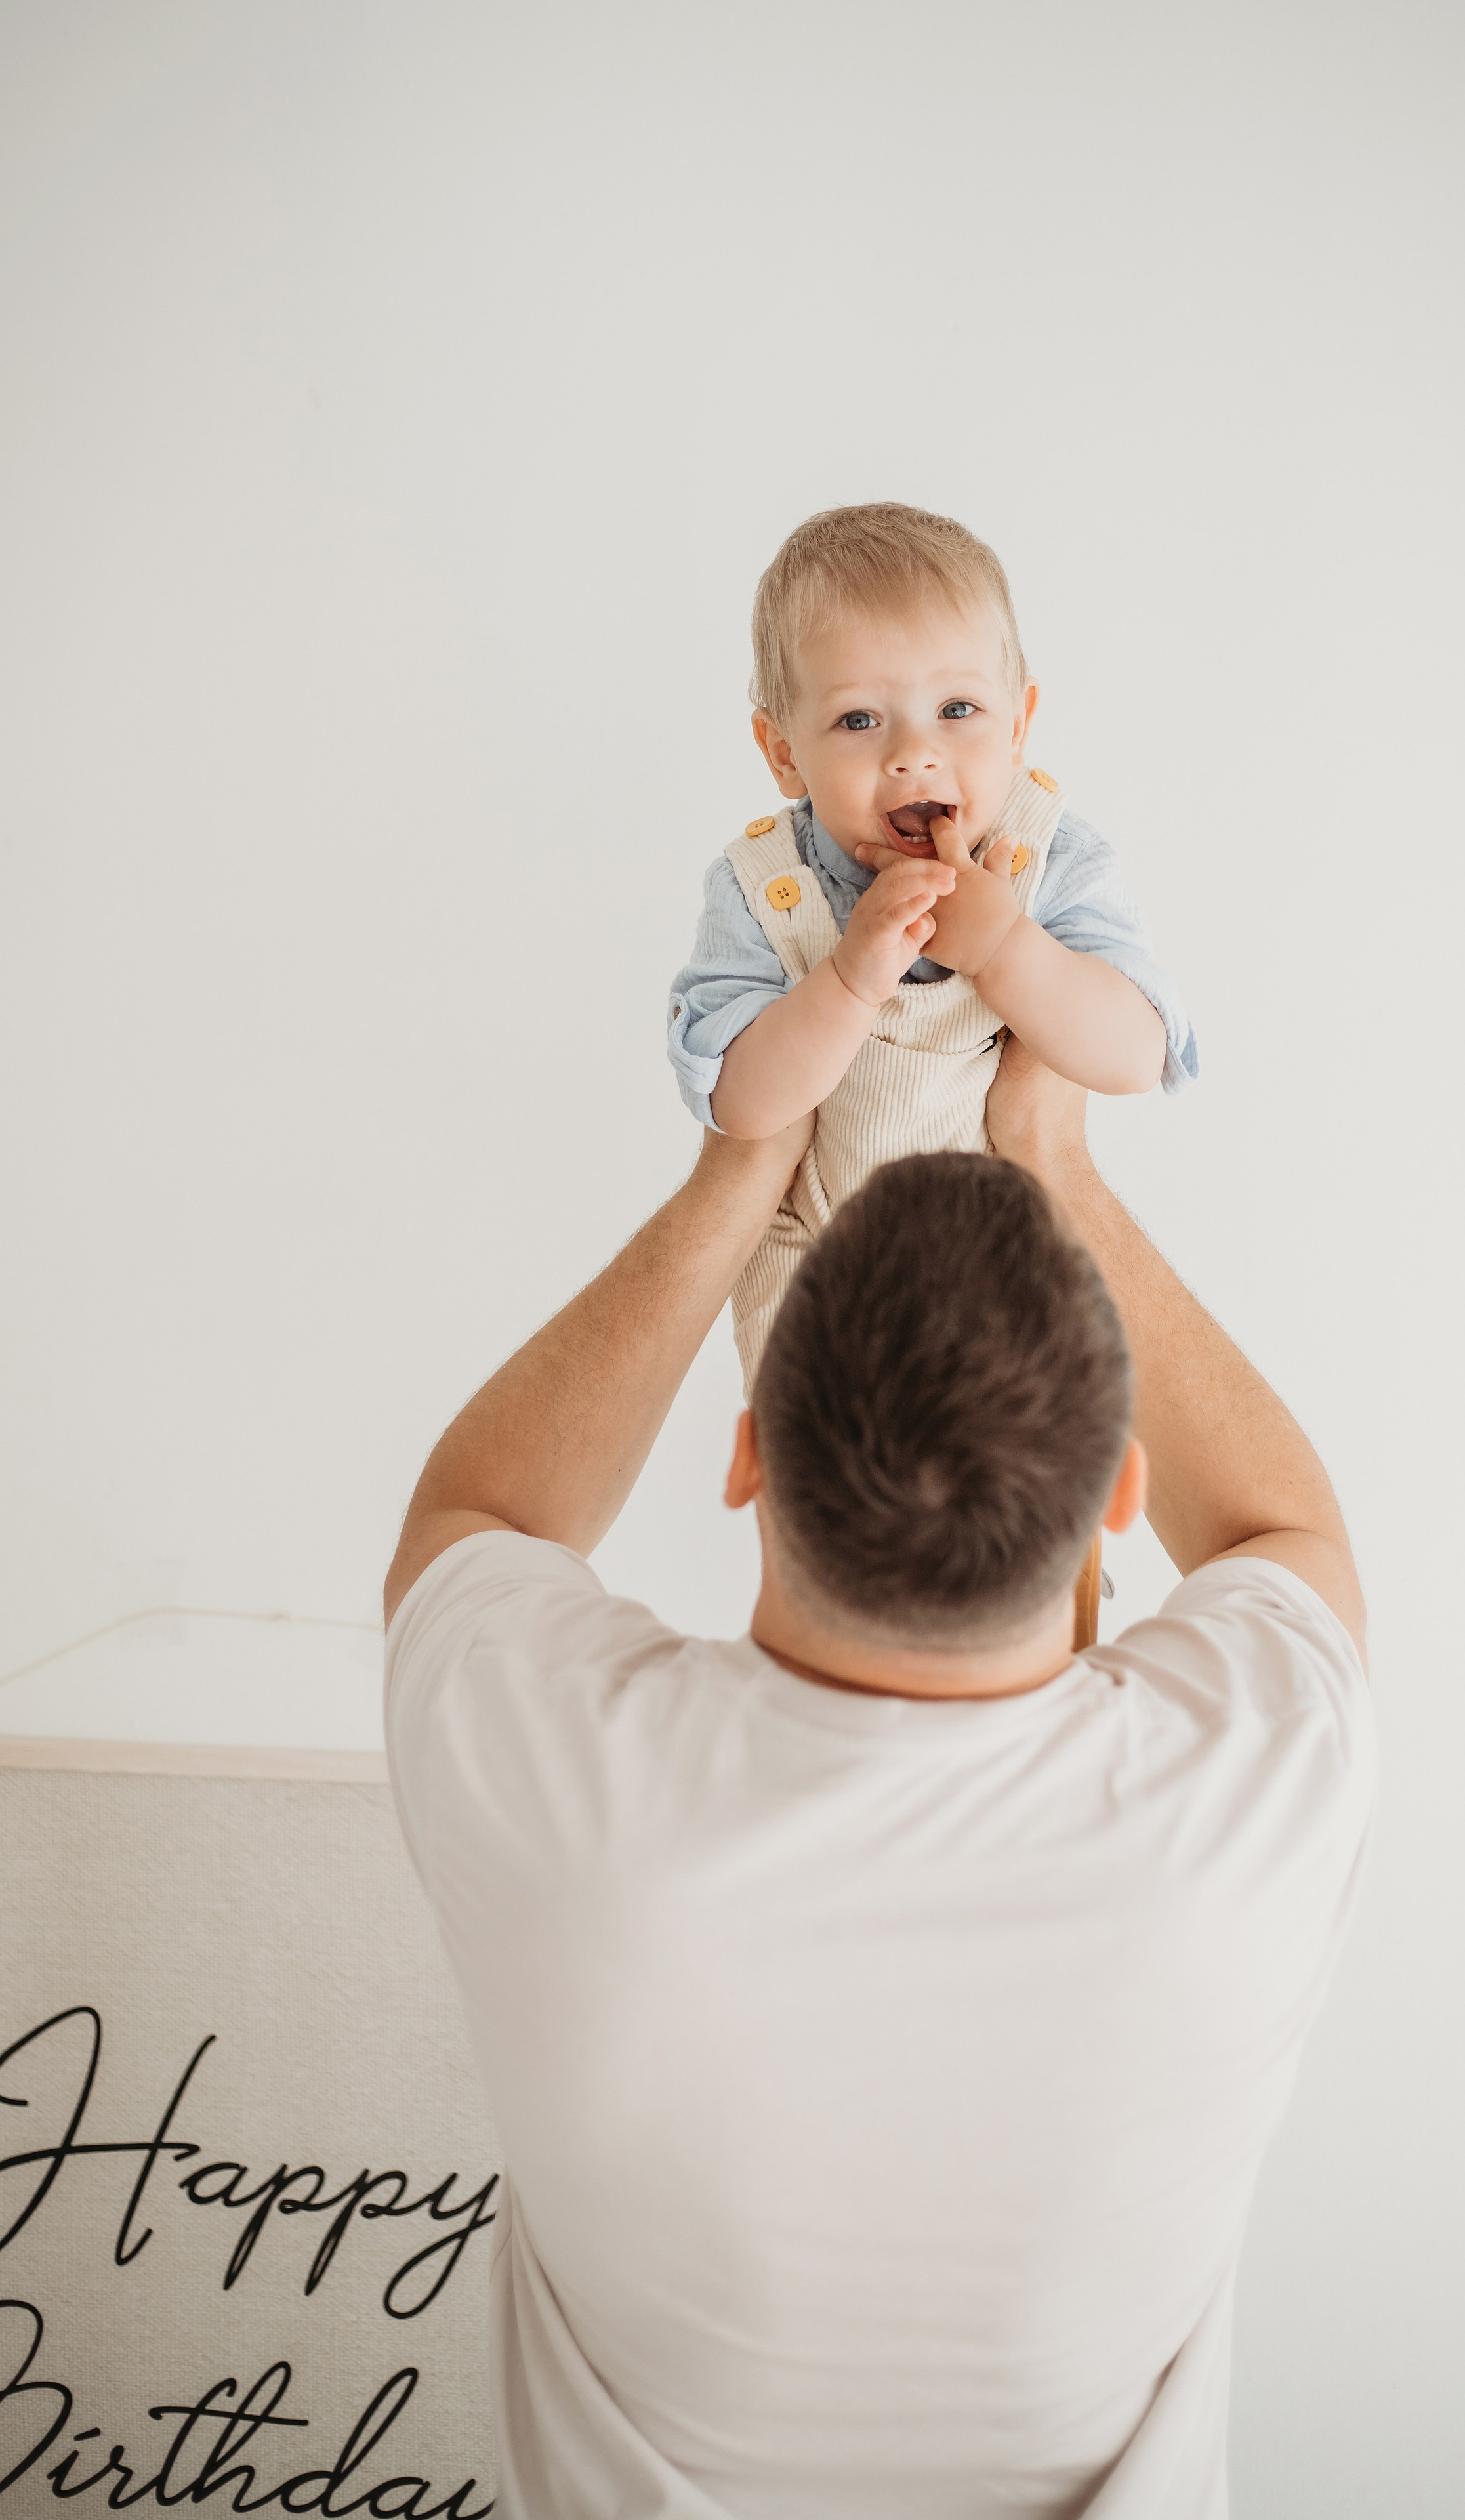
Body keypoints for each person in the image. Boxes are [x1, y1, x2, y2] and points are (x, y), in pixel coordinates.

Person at [382, 1045, 1376, 2520]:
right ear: (1119, 1489)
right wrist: (1058, 1154)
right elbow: (1277, 1532)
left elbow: (482, 1512)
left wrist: (740, 1171)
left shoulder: (573, 1809)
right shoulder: (1242, 1812)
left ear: (743, 1462)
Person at [666, 503, 1199, 1398]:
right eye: (860, 721)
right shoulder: (767, 887)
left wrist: (1004, 944)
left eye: (958, 709)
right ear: (782, 751)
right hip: (821, 1263)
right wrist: (847, 979)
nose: (917, 755)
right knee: (835, 1499)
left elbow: (1137, 1054)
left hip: (1015, 1255)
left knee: (1032, 1483)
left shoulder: (1048, 859)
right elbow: (739, 1105)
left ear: (1021, 721)